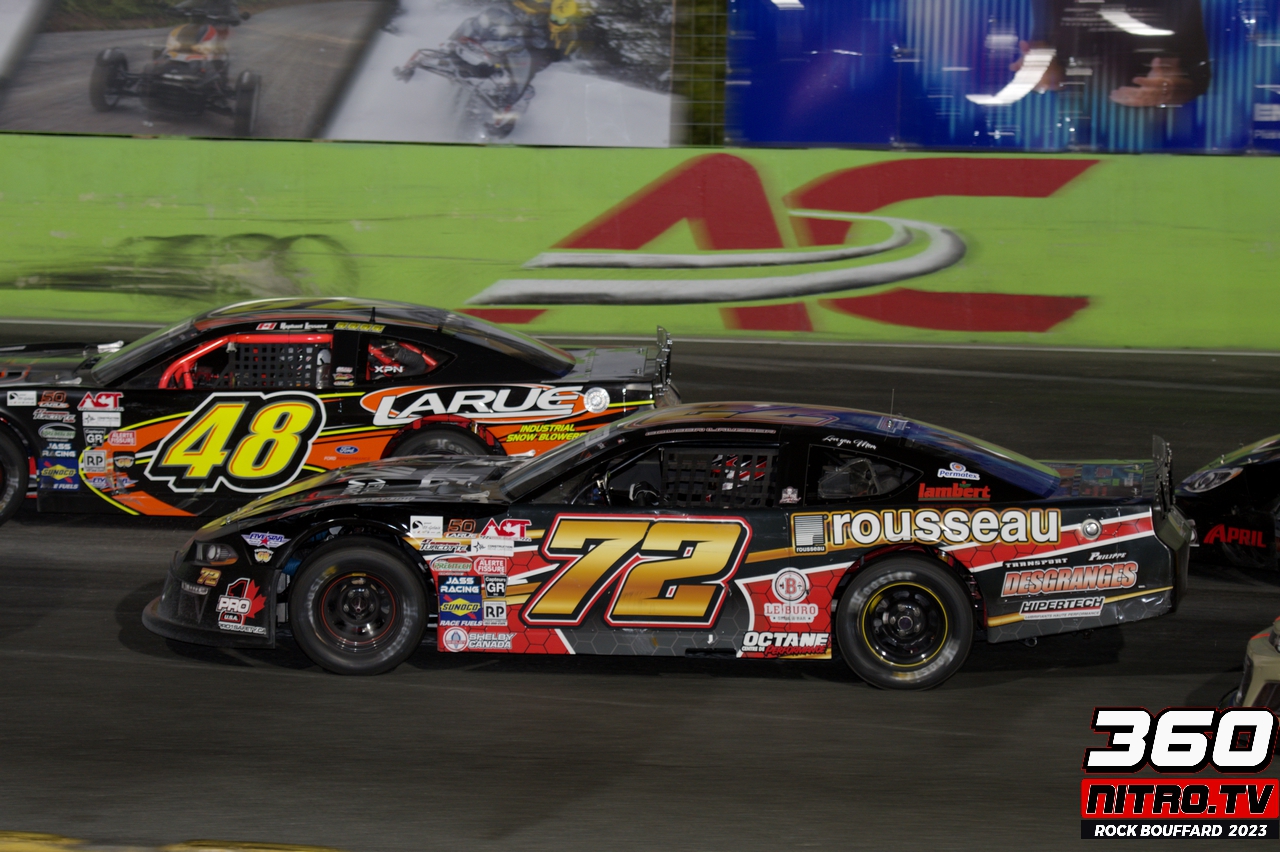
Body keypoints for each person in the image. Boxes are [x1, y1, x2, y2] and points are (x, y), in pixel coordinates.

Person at [1014, 0, 1210, 108]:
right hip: (1074, 128)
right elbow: (1045, 47)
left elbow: (1197, 74)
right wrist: (1041, 71)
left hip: (1161, 137)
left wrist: (1170, 88)